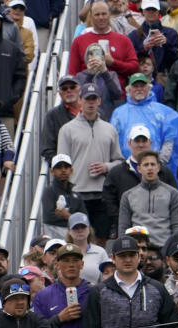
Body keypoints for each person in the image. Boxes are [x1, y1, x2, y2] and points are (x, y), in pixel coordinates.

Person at [56, 83, 124, 241]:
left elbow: (119, 161)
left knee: (101, 238)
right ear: (80, 100)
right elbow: (61, 164)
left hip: (103, 193)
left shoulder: (109, 129)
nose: (91, 102)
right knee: (78, 238)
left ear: (99, 101)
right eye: (87, 99)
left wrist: (106, 166)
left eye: (94, 99)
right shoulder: (67, 129)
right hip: (77, 192)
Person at [102, 124, 178, 237]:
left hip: (162, 234)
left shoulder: (164, 172)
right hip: (130, 232)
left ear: (150, 143)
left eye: (144, 141)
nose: (141, 145)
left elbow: (174, 203)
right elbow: (108, 200)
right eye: (137, 141)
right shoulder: (116, 172)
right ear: (129, 143)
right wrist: (124, 217)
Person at [111, 73, 178, 177]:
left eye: (142, 86)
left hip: (155, 171)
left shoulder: (164, 112)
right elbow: (114, 141)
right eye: (136, 86)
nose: (139, 89)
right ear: (129, 89)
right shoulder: (118, 114)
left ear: (149, 88)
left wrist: (159, 163)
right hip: (127, 171)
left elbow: (171, 139)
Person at [118, 150, 178, 246]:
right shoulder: (127, 195)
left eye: (153, 164)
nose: (150, 168)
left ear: (158, 167)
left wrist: (172, 248)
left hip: (164, 249)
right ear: (139, 168)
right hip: (138, 249)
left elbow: (177, 226)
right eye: (146, 165)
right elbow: (123, 227)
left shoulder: (173, 193)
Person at [67, 0, 140, 88]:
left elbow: (134, 68)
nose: (101, 17)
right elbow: (73, 73)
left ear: (109, 14)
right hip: (88, 95)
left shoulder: (123, 40)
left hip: (117, 95)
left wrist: (113, 62)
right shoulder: (79, 41)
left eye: (104, 14)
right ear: (91, 16)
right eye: (97, 14)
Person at [128, 0, 178, 75]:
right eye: (148, 9)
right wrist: (144, 49)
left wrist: (166, 44)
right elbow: (131, 59)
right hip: (141, 77)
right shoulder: (134, 35)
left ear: (158, 11)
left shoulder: (171, 33)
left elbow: (176, 59)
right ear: (143, 12)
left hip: (164, 76)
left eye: (154, 9)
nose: (151, 12)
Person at [40, 153, 85, 239]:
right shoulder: (49, 191)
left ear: (71, 170)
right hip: (54, 239)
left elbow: (84, 217)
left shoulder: (76, 194)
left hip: (75, 238)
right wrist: (74, 219)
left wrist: (67, 215)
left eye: (66, 167)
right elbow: (49, 217)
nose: (63, 170)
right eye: (59, 167)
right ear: (52, 171)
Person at [40, 75, 80, 163]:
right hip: (67, 171)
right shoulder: (52, 116)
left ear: (79, 90)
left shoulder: (92, 113)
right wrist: (63, 166)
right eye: (64, 88)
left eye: (72, 87)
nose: (69, 90)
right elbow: (47, 148)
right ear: (59, 92)